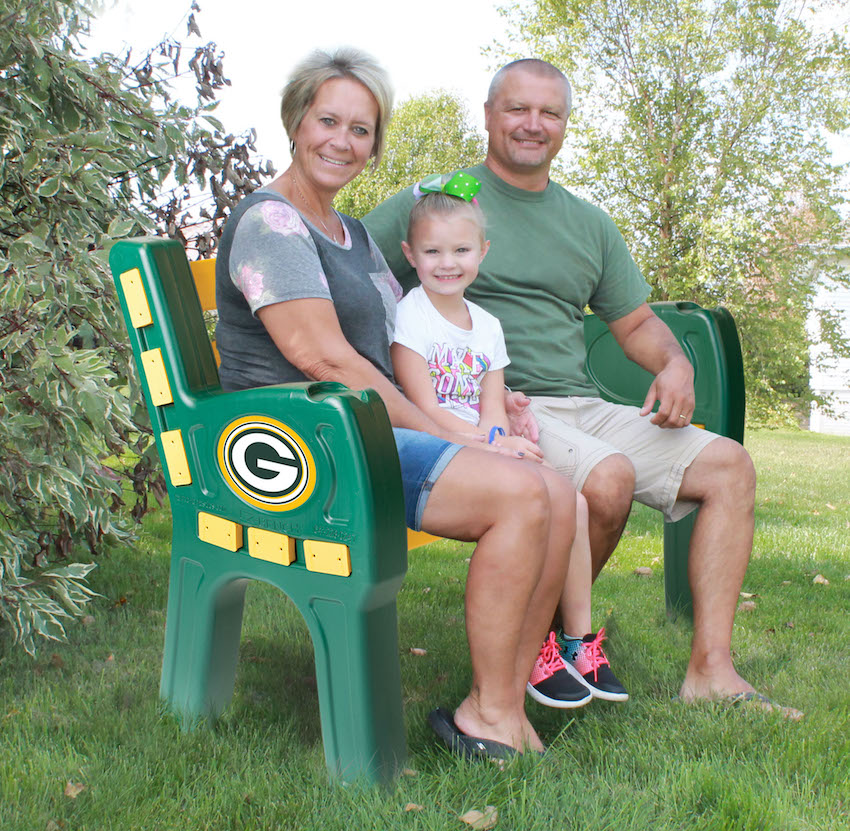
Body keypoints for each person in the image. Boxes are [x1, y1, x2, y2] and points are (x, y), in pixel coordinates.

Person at [364, 58, 802, 719]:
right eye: (517, 109)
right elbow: (351, 269)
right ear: (488, 116)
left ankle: (711, 670)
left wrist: (674, 365)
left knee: (729, 467)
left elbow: (635, 323)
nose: (532, 124)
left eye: (550, 113)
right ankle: (543, 648)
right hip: (500, 405)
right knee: (607, 479)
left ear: (566, 126)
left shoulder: (588, 222)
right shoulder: (442, 202)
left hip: (583, 401)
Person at [214, 46, 583, 759]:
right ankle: (494, 713)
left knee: (558, 493)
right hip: (301, 444)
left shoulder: (350, 234)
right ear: (296, 121)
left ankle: (497, 703)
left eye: (361, 129)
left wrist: (494, 407)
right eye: (329, 120)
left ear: (375, 144)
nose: (342, 141)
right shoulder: (272, 223)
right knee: (519, 495)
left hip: (361, 430)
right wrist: (461, 438)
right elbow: (323, 357)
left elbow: (405, 345)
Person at [391, 179, 627, 707]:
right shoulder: (412, 314)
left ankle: (576, 641)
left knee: (575, 499)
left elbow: (492, 404)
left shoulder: (489, 326)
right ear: (410, 254)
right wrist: (489, 446)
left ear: (483, 253)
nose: (446, 263)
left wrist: (502, 438)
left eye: (461, 250)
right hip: (439, 443)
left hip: (482, 444)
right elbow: (422, 405)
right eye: (432, 251)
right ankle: (532, 648)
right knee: (540, 497)